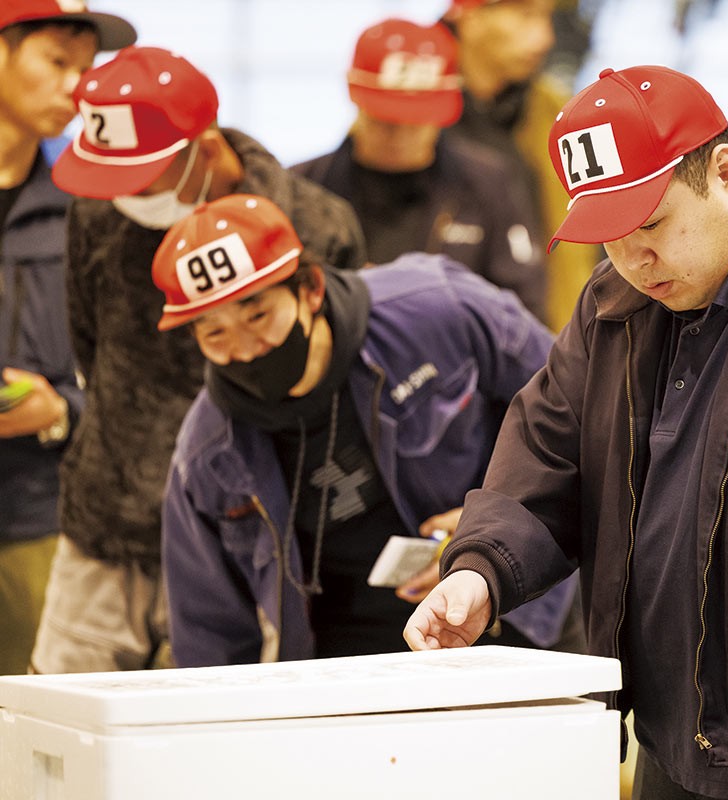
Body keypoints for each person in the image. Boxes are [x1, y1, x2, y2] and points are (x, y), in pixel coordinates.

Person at [405, 65, 728, 800]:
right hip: (670, 747)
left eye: (650, 225)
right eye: (607, 236)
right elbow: (547, 458)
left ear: (726, 173)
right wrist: (479, 572)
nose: (631, 259)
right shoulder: (614, 305)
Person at [30, 46, 367, 674]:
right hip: (108, 530)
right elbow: (89, 352)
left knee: (230, 745)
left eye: (141, 174)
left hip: (254, 539)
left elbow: (340, 384)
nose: (124, 192)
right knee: (56, 734)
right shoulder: (99, 211)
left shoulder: (317, 225)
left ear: (203, 147)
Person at [152, 194, 578, 665]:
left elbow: (570, 411)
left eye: (258, 316)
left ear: (310, 289)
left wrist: (497, 520)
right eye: (215, 334)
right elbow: (209, 637)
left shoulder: (435, 308)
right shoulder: (207, 455)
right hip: (351, 661)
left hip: (518, 605)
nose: (248, 349)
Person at [0, 0, 134, 675]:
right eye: (56, 63)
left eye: (87, 70)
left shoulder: (86, 211)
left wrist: (58, 411)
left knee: (29, 725)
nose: (77, 88)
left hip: (39, 516)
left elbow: (123, 368)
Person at [292, 17, 547, 321]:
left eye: (417, 120)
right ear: (352, 91)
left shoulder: (491, 182)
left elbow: (524, 310)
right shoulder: (301, 190)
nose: (401, 133)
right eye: (385, 119)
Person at [442, 0, 598, 331]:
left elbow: (585, 249)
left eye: (545, 17)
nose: (545, 39)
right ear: (470, 16)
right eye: (525, 14)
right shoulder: (404, 117)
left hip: (547, 348)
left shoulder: (559, 113)